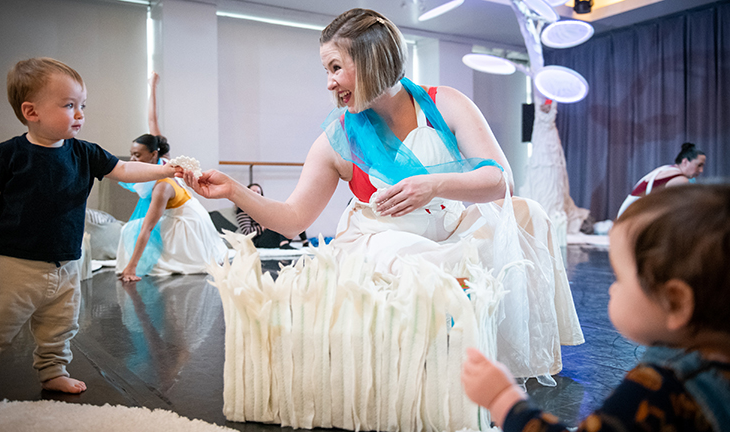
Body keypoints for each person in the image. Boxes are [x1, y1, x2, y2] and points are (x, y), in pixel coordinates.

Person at [185, 8, 583, 381]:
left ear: (371, 60)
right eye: (327, 70)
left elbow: (500, 180)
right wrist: (234, 190)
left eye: (336, 67)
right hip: (382, 242)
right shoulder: (338, 137)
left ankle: (514, 358)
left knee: (529, 213)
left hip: (449, 229)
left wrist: (434, 184)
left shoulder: (445, 103)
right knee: (402, 253)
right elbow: (293, 219)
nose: (329, 82)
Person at [0, 57, 181, 402]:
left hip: (67, 261)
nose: (80, 114)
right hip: (16, 263)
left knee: (61, 324)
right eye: (69, 106)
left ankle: (53, 371)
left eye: (82, 106)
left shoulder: (85, 153)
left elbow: (124, 170)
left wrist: (165, 171)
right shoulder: (8, 154)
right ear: (31, 112)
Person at [462, 183, 730, 431]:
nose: (612, 289)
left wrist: (503, 399)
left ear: (675, 302)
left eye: (619, 278)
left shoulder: (658, 391)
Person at [116, 73, 227, 282]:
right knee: (132, 229)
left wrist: (131, 268)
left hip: (188, 224)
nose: (132, 159)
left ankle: (138, 262)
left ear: (153, 155)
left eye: (137, 155)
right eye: (132, 155)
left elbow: (148, 226)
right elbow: (152, 120)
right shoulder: (161, 158)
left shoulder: (163, 183)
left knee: (133, 230)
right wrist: (152, 86)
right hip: (186, 213)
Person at [617, 142, 706, 218]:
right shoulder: (681, 179)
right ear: (685, 162)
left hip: (629, 215)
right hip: (634, 217)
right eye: (699, 165)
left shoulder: (666, 169)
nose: (701, 170)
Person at [235, 183, 296, 249]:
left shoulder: (263, 208)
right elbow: (247, 233)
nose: (255, 193)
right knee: (279, 220)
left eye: (258, 192)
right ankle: (284, 243)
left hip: (275, 236)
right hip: (259, 240)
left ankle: (303, 241)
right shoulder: (243, 210)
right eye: (253, 191)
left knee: (290, 216)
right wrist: (262, 227)